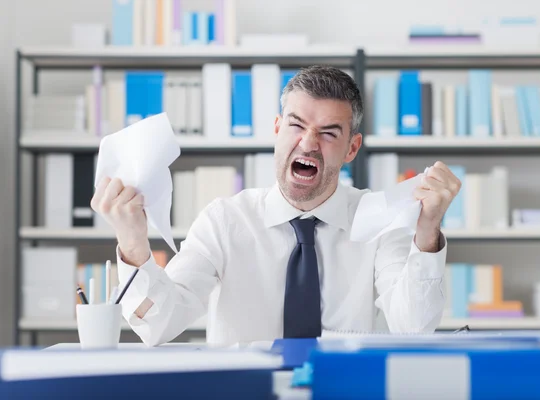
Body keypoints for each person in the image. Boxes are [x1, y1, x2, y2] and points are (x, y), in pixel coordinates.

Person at [91, 65, 461, 347]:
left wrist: (427, 232)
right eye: (296, 125)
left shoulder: (379, 222)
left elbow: (414, 328)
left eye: (329, 133)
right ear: (277, 129)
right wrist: (134, 245)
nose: (308, 143)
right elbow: (157, 325)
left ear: (352, 149)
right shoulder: (225, 221)